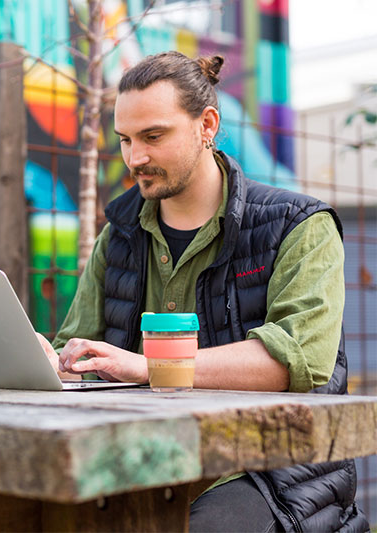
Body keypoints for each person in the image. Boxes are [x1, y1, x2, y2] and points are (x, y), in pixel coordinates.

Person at [37, 51, 369, 532]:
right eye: (126, 140)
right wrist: (50, 357)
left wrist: (148, 368)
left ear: (206, 124)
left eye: (154, 136)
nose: (135, 158)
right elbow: (81, 348)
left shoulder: (299, 225)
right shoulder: (120, 232)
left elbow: (299, 360)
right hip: (141, 463)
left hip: (269, 471)